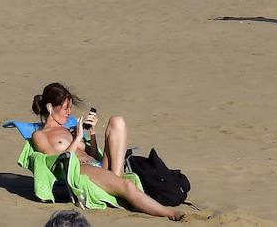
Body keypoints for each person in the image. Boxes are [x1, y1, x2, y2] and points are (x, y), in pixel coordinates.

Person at [30, 83, 184, 219]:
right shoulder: (39, 135)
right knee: (127, 186)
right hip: (80, 170)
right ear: (50, 107)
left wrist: (92, 133)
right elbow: (53, 162)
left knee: (117, 121)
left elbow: (93, 154)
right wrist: (77, 139)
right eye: (65, 108)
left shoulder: (69, 129)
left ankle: (117, 181)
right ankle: (169, 213)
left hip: (98, 165)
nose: (69, 112)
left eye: (70, 107)